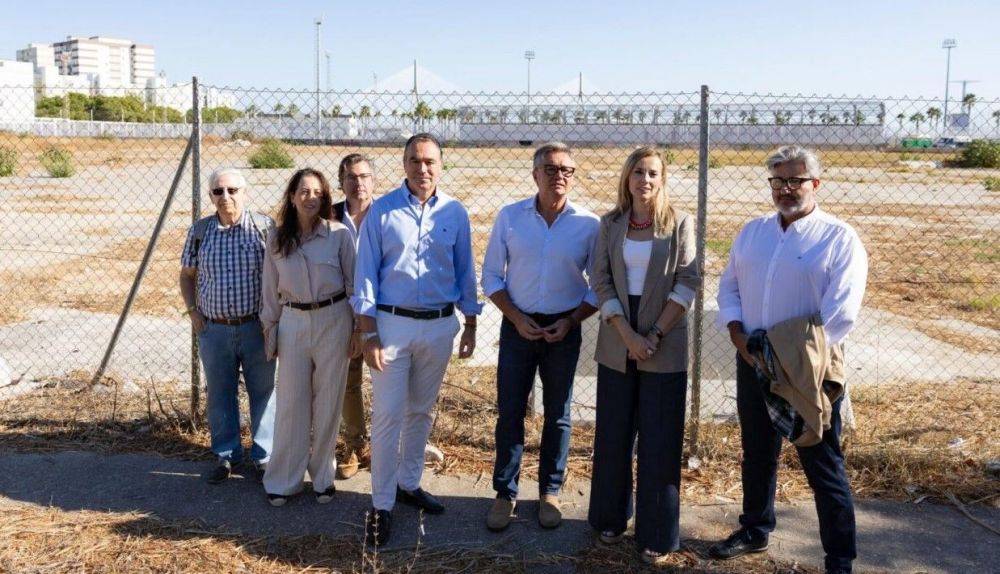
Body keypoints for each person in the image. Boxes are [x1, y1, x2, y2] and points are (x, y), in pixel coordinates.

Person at [711, 145, 868, 574]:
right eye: (778, 181)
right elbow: (729, 289)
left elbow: (841, 312)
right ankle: (755, 529)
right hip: (753, 361)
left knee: (822, 461)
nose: (786, 189)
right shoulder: (753, 232)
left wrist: (790, 355)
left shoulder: (839, 238)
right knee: (757, 451)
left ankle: (839, 557)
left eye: (795, 181)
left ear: (815, 184)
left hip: (807, 370)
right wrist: (737, 334)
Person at [352, 133, 481, 546]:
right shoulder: (383, 212)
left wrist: (471, 322)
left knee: (421, 412)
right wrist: (367, 330)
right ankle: (382, 504)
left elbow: (465, 271)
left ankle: (409, 483)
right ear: (404, 164)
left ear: (440, 165)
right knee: (389, 415)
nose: (422, 169)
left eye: (430, 162)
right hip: (392, 328)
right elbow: (366, 275)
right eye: (415, 161)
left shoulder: (455, 212)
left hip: (440, 326)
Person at [588, 147, 700, 565]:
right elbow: (600, 280)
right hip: (618, 340)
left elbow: (688, 280)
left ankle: (657, 533)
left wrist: (652, 334)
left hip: (663, 343)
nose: (645, 180)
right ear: (627, 178)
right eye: (638, 172)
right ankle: (610, 519)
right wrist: (627, 333)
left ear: (663, 179)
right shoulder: (610, 224)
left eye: (653, 173)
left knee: (660, 440)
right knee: (614, 435)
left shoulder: (679, 223)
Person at [481, 142, 598, 532]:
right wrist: (515, 318)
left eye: (567, 169)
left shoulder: (589, 225)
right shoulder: (510, 217)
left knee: (559, 416)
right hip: (518, 327)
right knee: (510, 412)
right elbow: (492, 276)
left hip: (564, 329)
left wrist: (571, 320)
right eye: (550, 169)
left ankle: (550, 492)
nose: (559, 176)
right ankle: (505, 493)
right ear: (535, 175)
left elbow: (599, 286)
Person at [260, 168, 356, 507]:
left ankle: (323, 478)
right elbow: (269, 290)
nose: (310, 197)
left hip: (334, 318)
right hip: (293, 322)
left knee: (329, 402)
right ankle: (284, 479)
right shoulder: (276, 239)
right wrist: (269, 328)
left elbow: (354, 283)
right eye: (303, 191)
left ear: (325, 197)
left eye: (317, 192)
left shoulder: (339, 235)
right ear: (291, 196)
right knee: (291, 403)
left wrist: (358, 328)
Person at [179, 168, 276, 485]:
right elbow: (187, 276)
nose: (226, 197)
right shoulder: (200, 232)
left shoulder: (264, 229)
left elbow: (279, 276)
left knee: (265, 393)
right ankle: (226, 455)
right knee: (220, 394)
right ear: (210, 197)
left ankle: (264, 457)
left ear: (244, 192)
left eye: (232, 190)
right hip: (214, 330)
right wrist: (193, 312)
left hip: (256, 328)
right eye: (218, 192)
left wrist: (273, 320)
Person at [331, 153, 375, 480]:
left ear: (373, 180)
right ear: (341, 183)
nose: (358, 183)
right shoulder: (328, 217)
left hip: (383, 312)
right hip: (342, 313)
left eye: (364, 176)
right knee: (349, 382)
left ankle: (390, 446)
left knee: (392, 381)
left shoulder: (388, 214)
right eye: (351, 177)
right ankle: (355, 444)